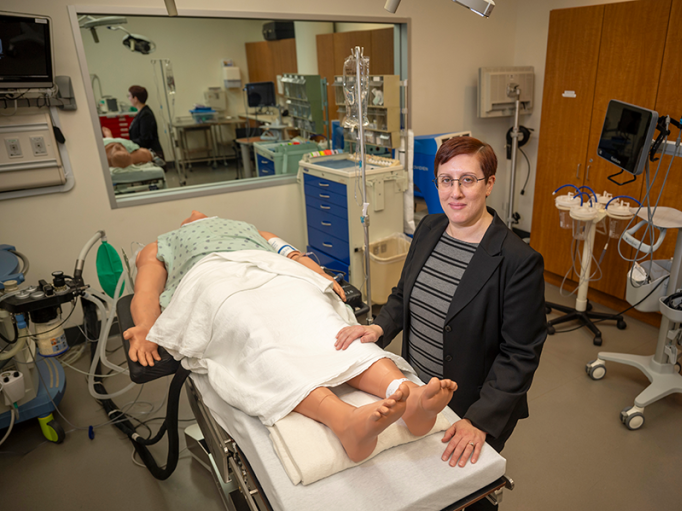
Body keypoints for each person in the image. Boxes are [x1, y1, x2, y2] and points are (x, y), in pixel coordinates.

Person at [123, 211, 458, 463]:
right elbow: (147, 289)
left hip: (276, 274)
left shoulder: (253, 231)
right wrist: (145, 327)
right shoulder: (162, 243)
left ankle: (408, 395)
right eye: (193, 219)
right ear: (186, 226)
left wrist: (323, 280)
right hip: (214, 280)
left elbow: (294, 257)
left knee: (326, 322)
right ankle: (344, 422)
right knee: (256, 333)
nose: (198, 216)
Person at [336, 137, 547, 488]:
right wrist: (378, 329)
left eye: (468, 180)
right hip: (416, 389)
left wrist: (480, 420)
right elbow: (404, 294)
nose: (456, 193)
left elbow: (520, 355)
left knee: (460, 491)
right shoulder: (430, 229)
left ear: (489, 183)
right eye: (446, 180)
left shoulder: (517, 262)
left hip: (470, 405)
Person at [127, 85, 164, 159]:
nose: (129, 98)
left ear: (135, 98)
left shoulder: (146, 115)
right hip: (144, 151)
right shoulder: (140, 113)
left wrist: (127, 143)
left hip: (151, 153)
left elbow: (145, 139)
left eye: (129, 96)